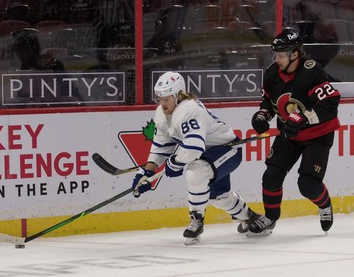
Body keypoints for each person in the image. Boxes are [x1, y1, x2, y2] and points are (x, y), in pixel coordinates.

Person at [131, 71, 260, 245]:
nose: (162, 104)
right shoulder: (162, 113)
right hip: (208, 155)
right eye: (159, 99)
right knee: (219, 197)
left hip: (227, 150)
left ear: (178, 96)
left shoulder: (189, 109)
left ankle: (196, 221)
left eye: (166, 99)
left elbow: (193, 148)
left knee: (195, 172)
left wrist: (174, 163)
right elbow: (162, 146)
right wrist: (147, 172)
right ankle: (252, 218)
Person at [248, 29, 340, 237]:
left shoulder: (312, 71)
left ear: (295, 54)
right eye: (275, 54)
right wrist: (263, 115)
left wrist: (301, 118)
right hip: (290, 134)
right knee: (271, 176)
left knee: (307, 185)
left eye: (280, 55)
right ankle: (270, 218)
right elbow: (269, 103)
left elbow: (329, 104)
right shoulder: (272, 73)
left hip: (318, 135)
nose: (276, 59)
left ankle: (324, 205)